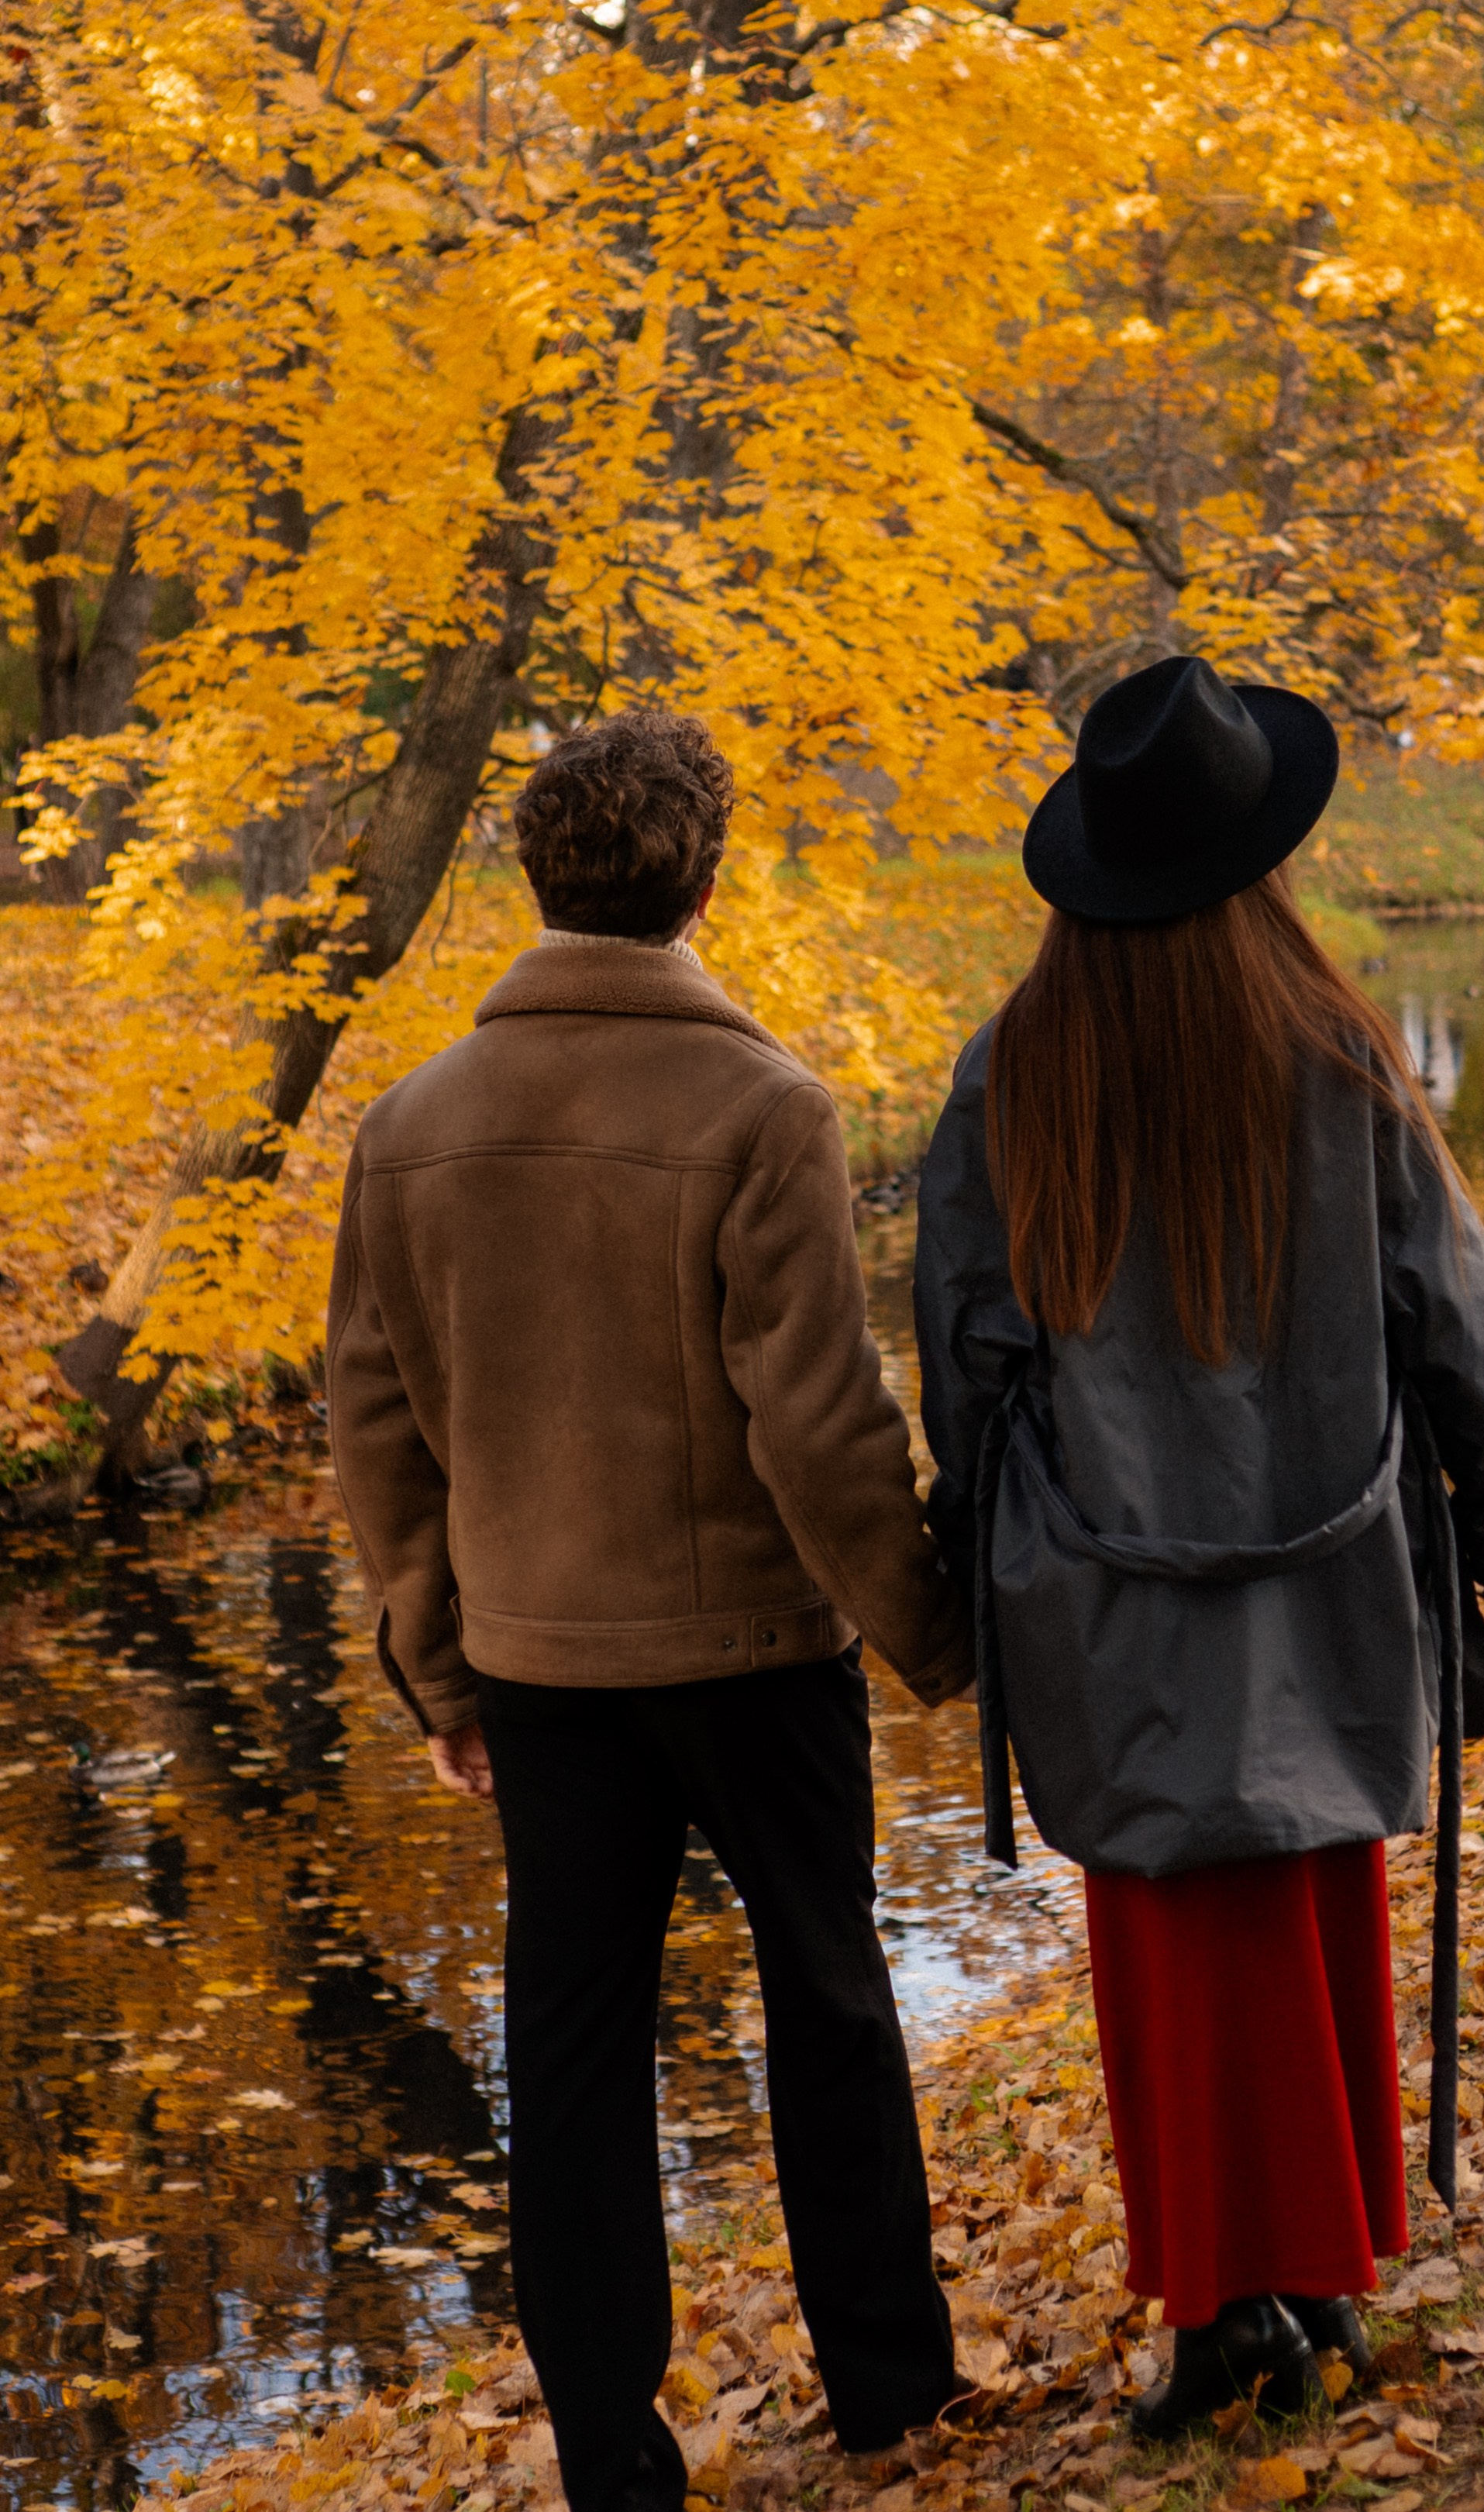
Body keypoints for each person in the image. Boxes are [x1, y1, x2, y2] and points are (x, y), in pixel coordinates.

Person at [912, 657, 1484, 2436]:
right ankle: (1311, 2288)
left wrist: (964, 1583)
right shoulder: (1328, 1051)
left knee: (1167, 1951)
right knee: (1309, 1914)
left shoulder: (1012, 1076)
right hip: (1327, 1556)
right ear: (1255, 863)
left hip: (1106, 1588)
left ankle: (1229, 2307)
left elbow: (965, 1357)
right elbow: (1458, 1315)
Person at [327, 708, 973, 2512]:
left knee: (577, 2051)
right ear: (703, 876)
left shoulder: (410, 1125)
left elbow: (376, 1431)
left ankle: (613, 2445)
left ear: (536, 873)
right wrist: (932, 1630)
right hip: (758, 1652)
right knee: (832, 2000)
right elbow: (821, 1422)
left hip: (540, 1667)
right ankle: (887, 2390)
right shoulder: (761, 1108)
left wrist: (438, 1671)